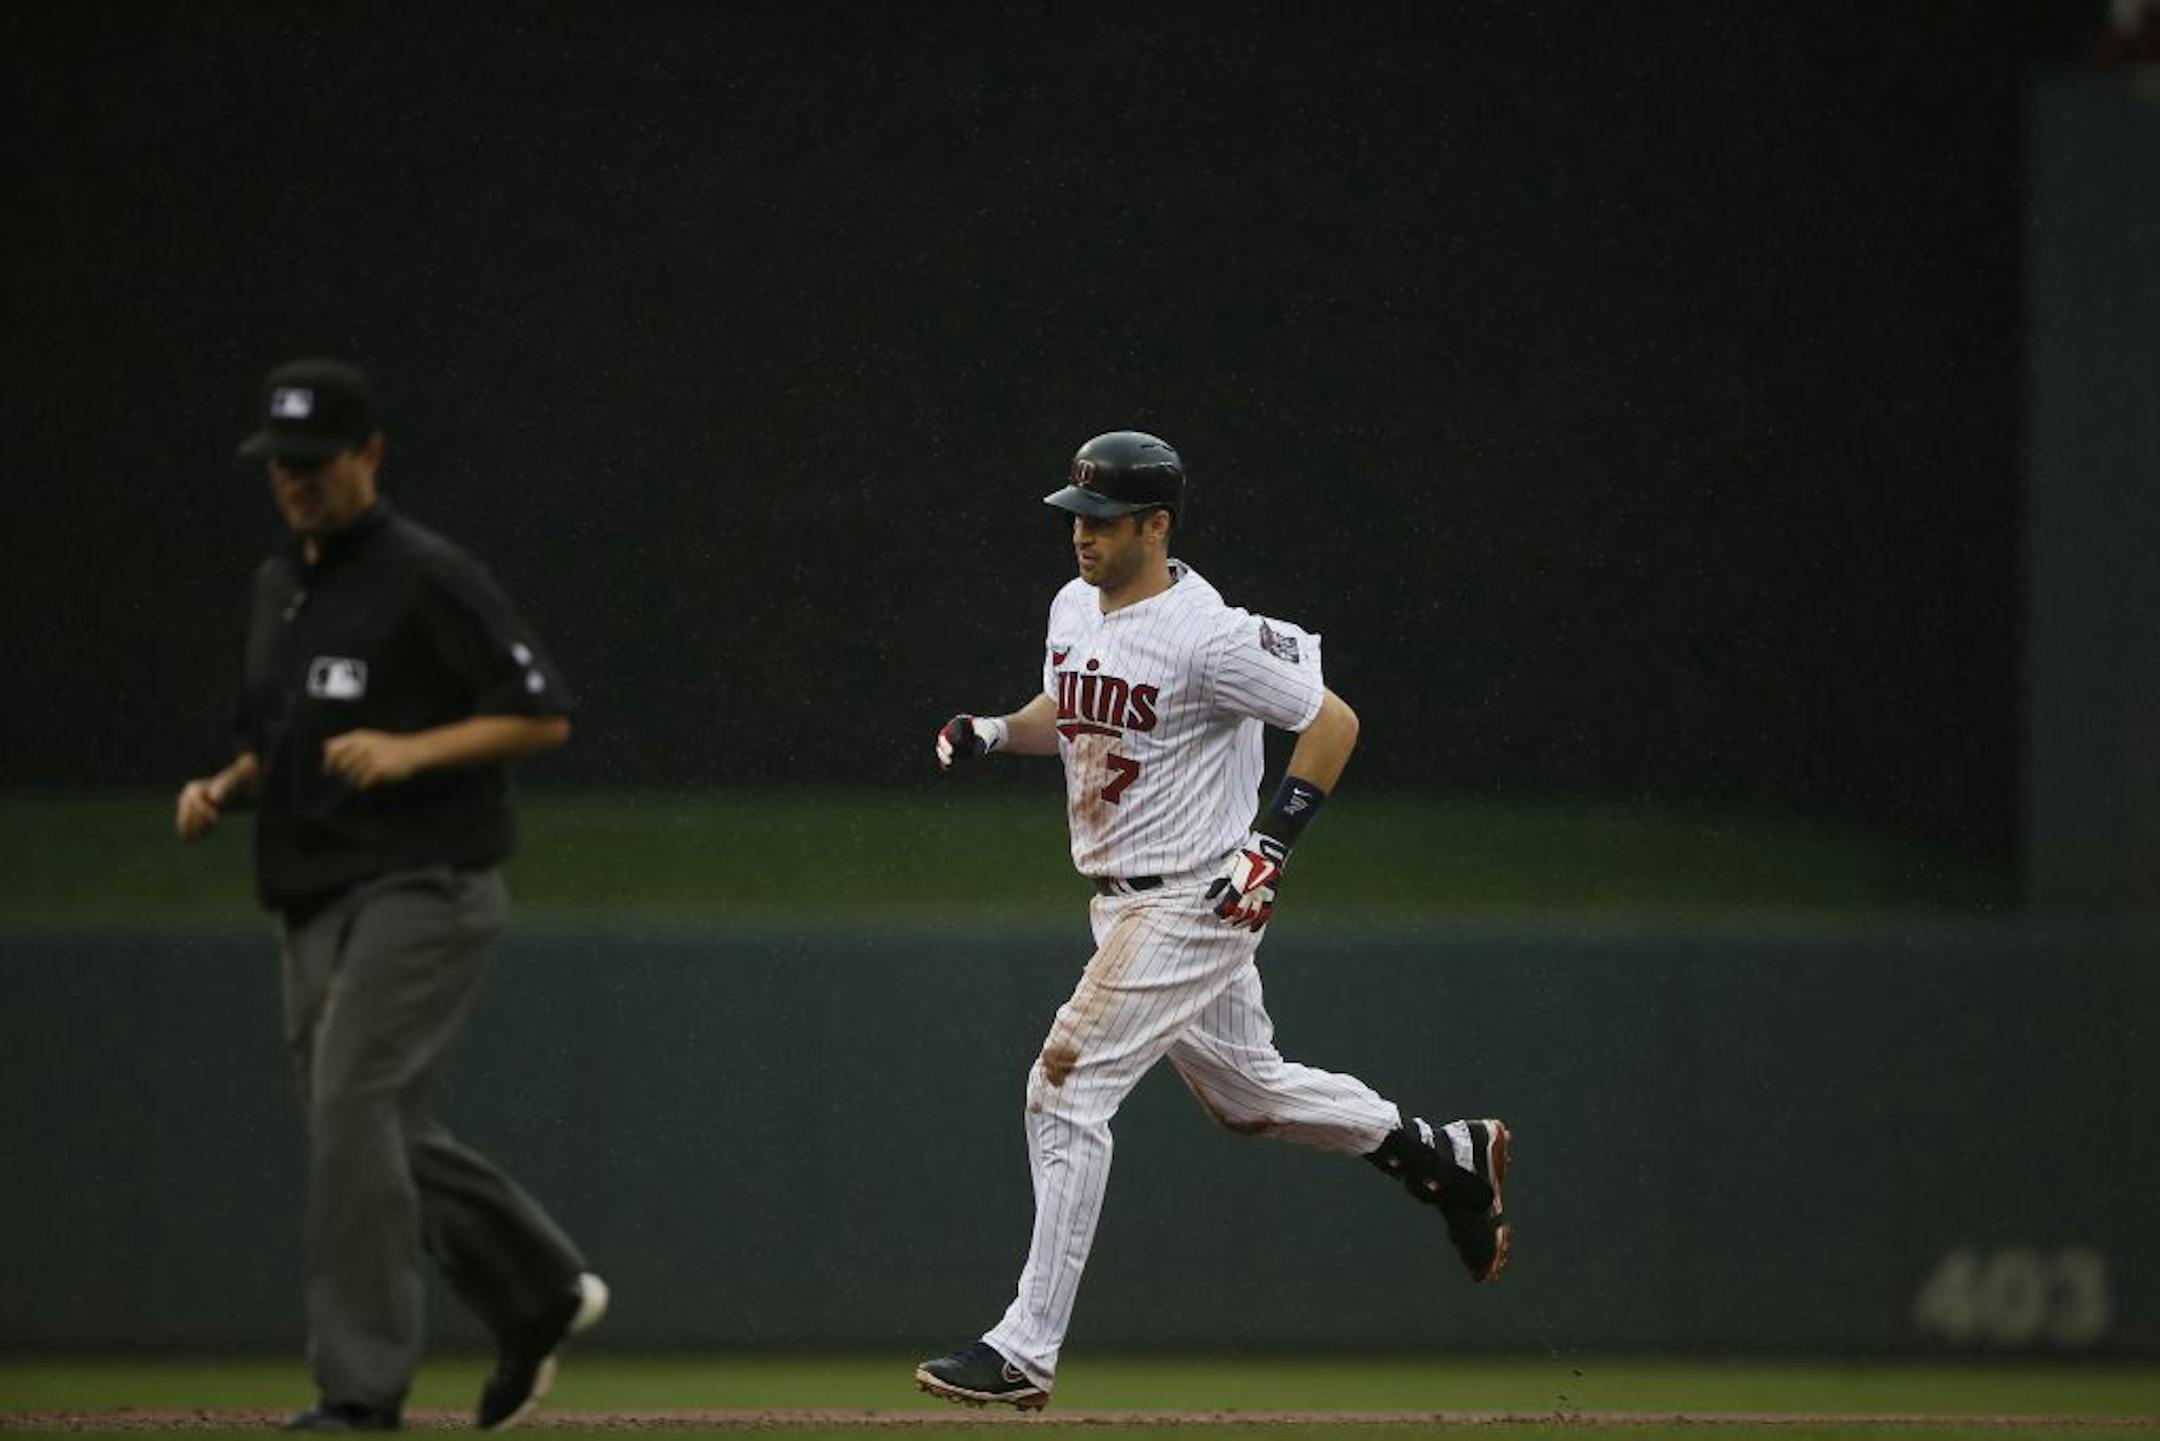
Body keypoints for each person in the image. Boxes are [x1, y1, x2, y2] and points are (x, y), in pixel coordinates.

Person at [915, 431, 1512, 1410]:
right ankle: (1443, 1156)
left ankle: (1024, 1347)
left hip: (1196, 896)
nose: (1084, 538)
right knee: (1250, 1096)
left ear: (1157, 523)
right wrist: (993, 729)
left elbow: (1333, 722)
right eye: (1078, 519)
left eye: (1105, 521)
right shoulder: (1074, 606)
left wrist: (1272, 845)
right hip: (1122, 902)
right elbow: (1070, 709)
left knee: (1063, 1087)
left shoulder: (1208, 632)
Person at [175, 359, 606, 1432]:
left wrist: (414, 749)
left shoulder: (427, 574)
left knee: (354, 1107)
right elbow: (279, 737)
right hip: (312, 891)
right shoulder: (278, 587)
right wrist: (225, 786)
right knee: (356, 1125)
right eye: (281, 465)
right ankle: (538, 1287)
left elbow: (542, 711)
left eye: (315, 463)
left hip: (427, 880)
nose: (295, 483)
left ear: (368, 456)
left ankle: (360, 1389)